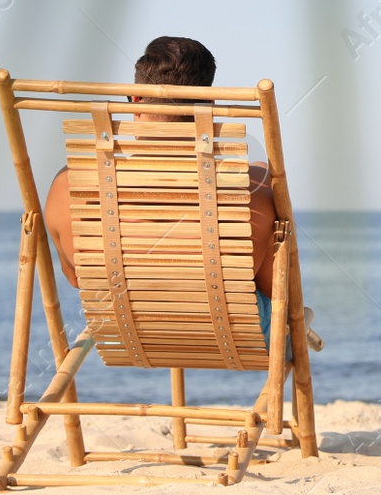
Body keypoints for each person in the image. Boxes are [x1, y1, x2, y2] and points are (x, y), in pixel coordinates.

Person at [44, 36, 278, 301]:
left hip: (124, 334)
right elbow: (273, 289)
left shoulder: (69, 185)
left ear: (135, 99)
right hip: (229, 336)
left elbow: (77, 279)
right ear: (209, 106)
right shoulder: (256, 185)